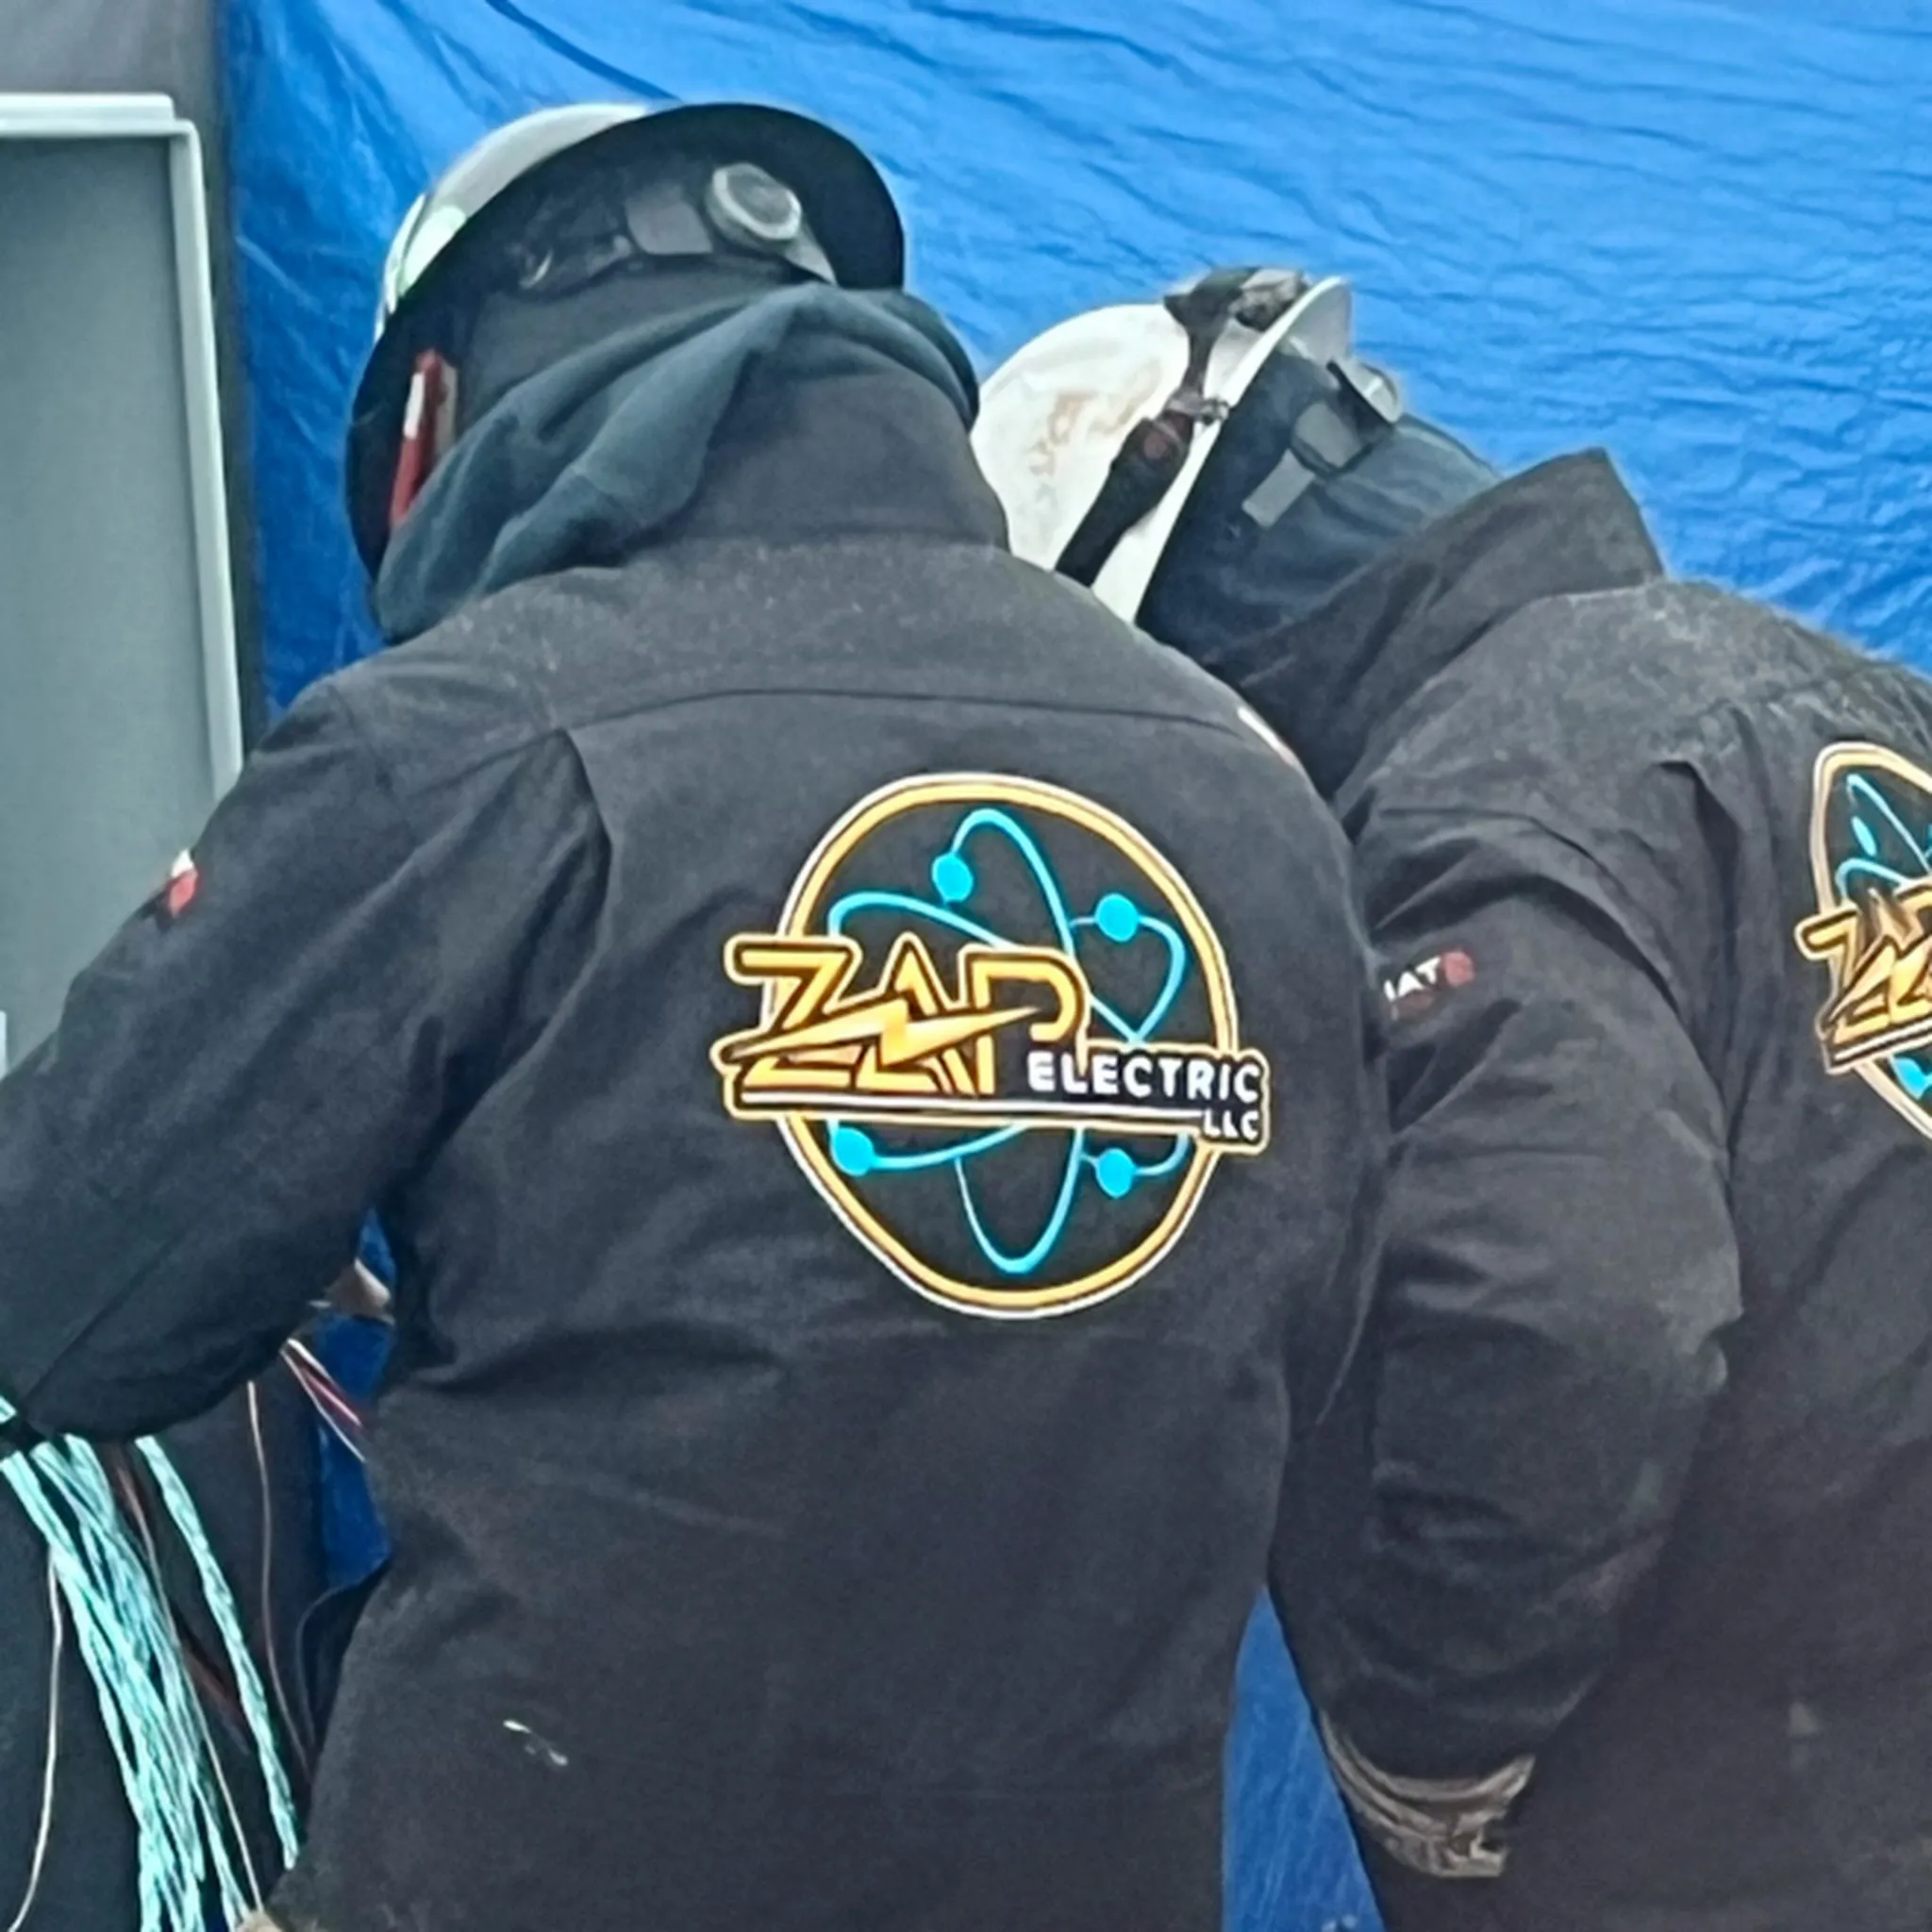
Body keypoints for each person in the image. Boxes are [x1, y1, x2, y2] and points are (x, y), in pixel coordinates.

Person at [0, 115, 1387, 1932]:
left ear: (438, 419)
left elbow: (69, 1291)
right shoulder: (1253, 795)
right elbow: (1308, 1357)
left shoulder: (465, 742)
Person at [974, 267, 1932, 1932]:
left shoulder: (1468, 807)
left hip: (1743, 1823)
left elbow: (1572, 1311)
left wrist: (1435, 1725)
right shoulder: (1836, 694)